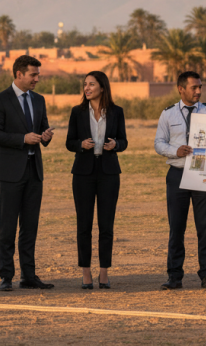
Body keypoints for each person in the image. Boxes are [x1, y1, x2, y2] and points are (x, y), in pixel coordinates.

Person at [0, 55, 55, 291]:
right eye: (33, 75)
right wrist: (22, 139)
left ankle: (29, 276)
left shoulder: (39, 100)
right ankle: (6, 276)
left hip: (34, 171)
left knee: (30, 226)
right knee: (8, 226)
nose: (37, 78)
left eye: (38, 74)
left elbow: (42, 128)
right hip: (9, 173)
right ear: (19, 74)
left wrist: (45, 136)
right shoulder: (0, 100)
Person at [154, 71, 206, 290]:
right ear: (181, 89)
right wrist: (176, 151)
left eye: (200, 87)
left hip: (203, 174)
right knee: (176, 227)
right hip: (177, 174)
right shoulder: (168, 114)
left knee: (205, 227)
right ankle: (174, 276)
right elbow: (158, 144)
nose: (199, 91)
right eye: (194, 87)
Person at [65, 71, 127, 289]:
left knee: (106, 225)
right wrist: (80, 145)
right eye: (85, 84)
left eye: (92, 84)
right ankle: (85, 273)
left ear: (102, 87)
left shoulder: (117, 112)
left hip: (109, 172)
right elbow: (69, 142)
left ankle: (103, 273)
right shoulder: (77, 112)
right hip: (83, 173)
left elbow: (123, 140)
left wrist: (115, 145)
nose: (87, 88)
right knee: (84, 225)